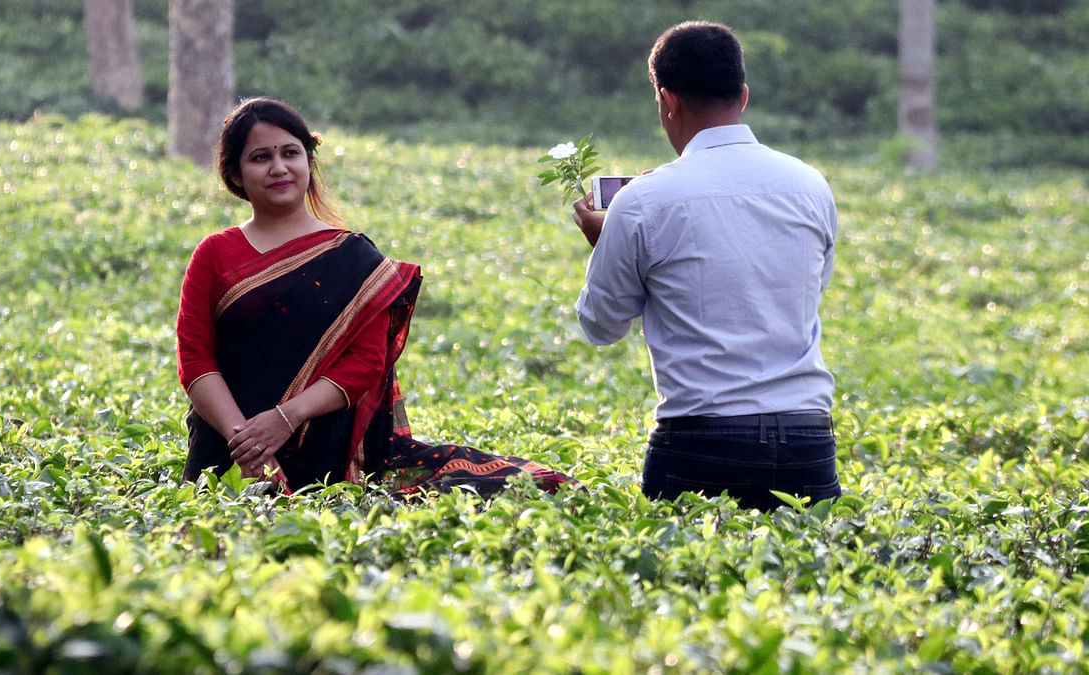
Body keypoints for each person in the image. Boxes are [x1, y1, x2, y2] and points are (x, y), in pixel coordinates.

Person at [177, 96, 571, 496]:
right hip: (227, 451)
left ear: (308, 162)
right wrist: (248, 443)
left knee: (528, 488)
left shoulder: (353, 256)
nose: (279, 168)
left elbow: (366, 362)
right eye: (260, 157)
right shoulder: (214, 254)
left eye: (290, 153)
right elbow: (195, 360)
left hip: (328, 452)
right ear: (236, 174)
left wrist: (285, 418)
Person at [569, 21, 840, 510]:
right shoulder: (811, 186)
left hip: (699, 443)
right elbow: (804, 293)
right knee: (810, 581)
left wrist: (605, 245)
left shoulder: (642, 200)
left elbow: (601, 327)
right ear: (744, 95)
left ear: (668, 100)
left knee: (686, 581)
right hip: (808, 440)